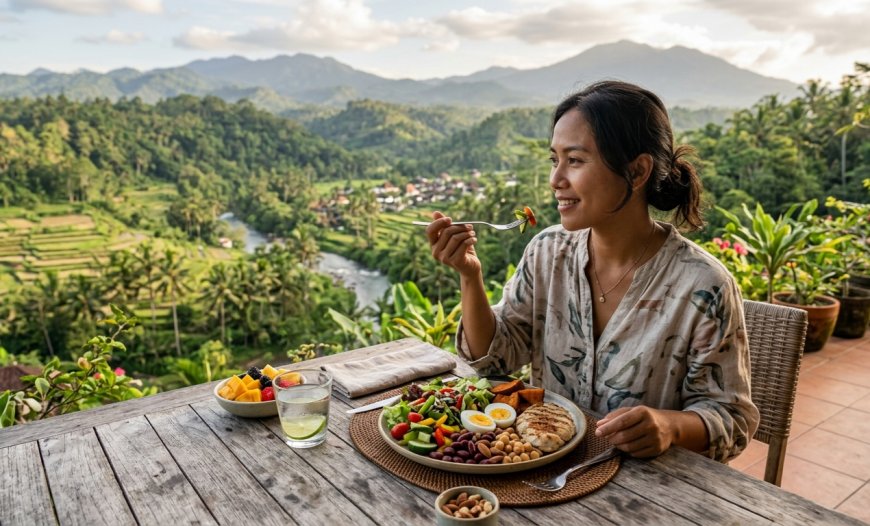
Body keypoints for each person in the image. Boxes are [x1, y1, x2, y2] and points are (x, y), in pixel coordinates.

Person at [425, 80, 759, 462]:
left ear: (637, 172)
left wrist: (669, 427)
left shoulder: (702, 286)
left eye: (576, 160)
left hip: (645, 491)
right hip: (542, 474)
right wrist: (470, 276)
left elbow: (731, 419)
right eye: (555, 160)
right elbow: (497, 358)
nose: (555, 180)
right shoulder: (547, 252)